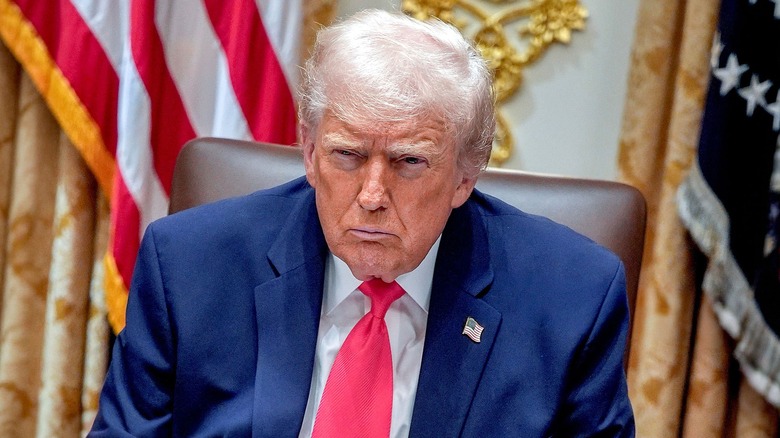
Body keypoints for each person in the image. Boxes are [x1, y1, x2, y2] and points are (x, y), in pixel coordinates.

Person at [90, 9, 634, 437]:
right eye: (347, 155)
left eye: (410, 162)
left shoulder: (572, 300)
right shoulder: (188, 265)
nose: (372, 196)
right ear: (307, 150)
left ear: (467, 174)